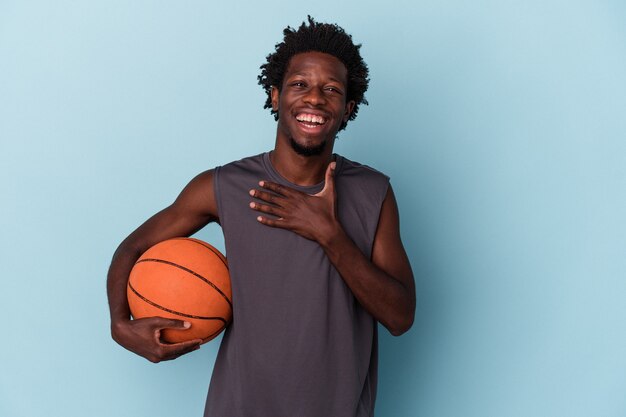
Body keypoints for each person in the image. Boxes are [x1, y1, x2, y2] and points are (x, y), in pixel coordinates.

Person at [107, 16, 415, 417]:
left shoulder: (373, 192)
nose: (315, 99)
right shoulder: (223, 187)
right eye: (300, 84)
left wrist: (330, 235)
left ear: (347, 108)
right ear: (275, 95)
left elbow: (400, 316)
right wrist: (119, 323)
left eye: (332, 90)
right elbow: (133, 246)